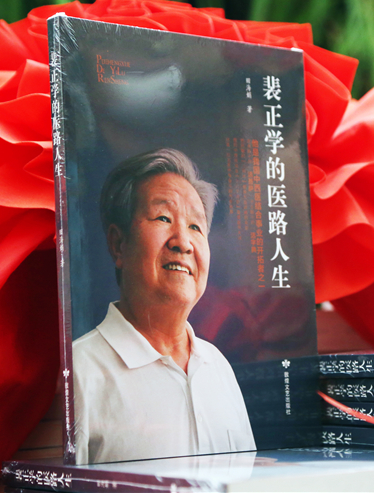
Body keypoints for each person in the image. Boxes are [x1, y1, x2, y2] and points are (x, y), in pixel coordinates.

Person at [73, 148, 255, 465]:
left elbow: (247, 478)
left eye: (196, 227)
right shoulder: (79, 371)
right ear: (119, 244)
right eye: (163, 218)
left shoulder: (217, 366)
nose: (183, 242)